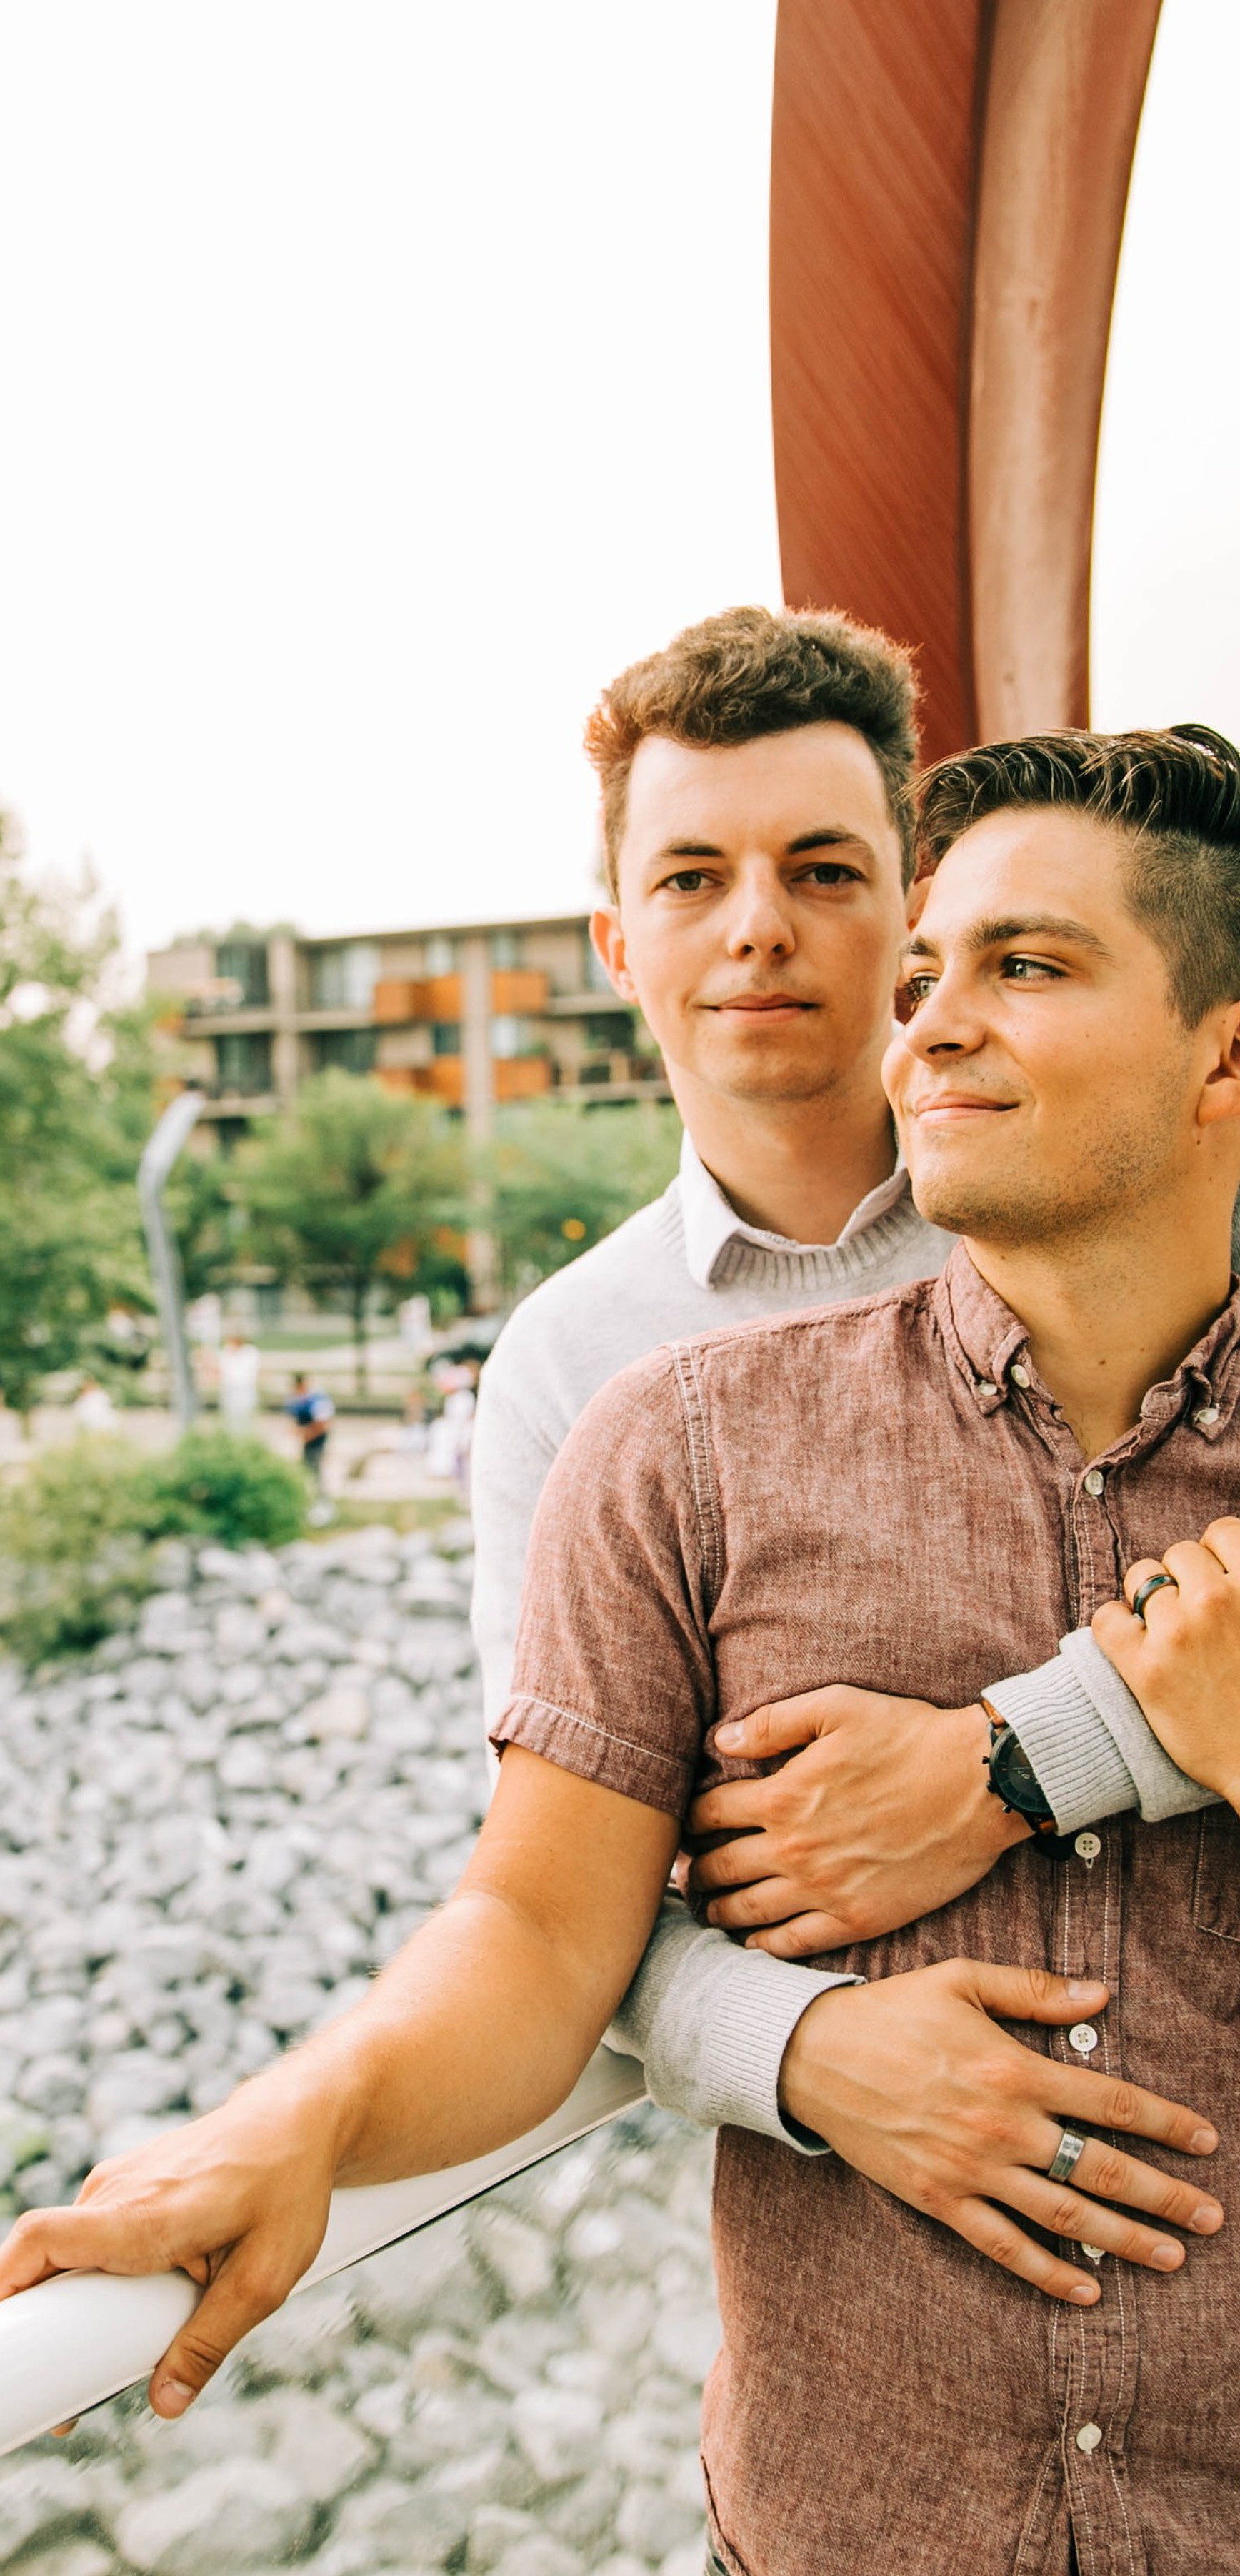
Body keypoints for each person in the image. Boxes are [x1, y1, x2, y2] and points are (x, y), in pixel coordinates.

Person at [0, 724, 1240, 2576]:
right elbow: (541, 1921)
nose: (923, 1023)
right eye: (929, 971)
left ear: (1222, 1058)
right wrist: (303, 2115)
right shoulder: (675, 1442)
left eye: (1026, 966)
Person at [471, 606, 1218, 2262]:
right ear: (614, 942)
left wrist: (1002, 1765)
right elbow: (558, 1884)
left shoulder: (1123, 1178)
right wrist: (798, 2048)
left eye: (821, 871)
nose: (757, 928)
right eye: (689, 880)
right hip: (863, 2275)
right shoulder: (572, 1370)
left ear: (908, 908)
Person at [284, 1370, 334, 1509]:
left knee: (315, 1468)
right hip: (306, 1440)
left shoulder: (318, 1399)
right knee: (306, 1468)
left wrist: (307, 1434)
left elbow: (323, 1424)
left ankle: (322, 1501)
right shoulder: (296, 1400)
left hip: (317, 1440)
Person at [217, 1331, 261, 1430]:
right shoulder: (226, 1351)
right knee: (230, 1414)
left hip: (246, 1387)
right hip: (230, 1387)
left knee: (246, 1413)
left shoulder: (250, 1352)